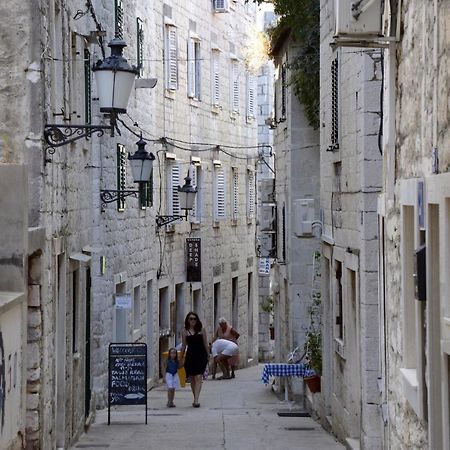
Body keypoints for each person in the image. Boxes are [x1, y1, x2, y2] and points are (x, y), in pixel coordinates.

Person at [180, 312, 209, 407]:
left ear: (197, 320)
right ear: (187, 320)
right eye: (191, 319)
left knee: (198, 377)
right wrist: (180, 358)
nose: (193, 321)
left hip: (201, 355)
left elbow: (205, 343)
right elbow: (183, 346)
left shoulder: (201, 329)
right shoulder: (184, 331)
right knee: (192, 378)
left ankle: (196, 400)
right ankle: (195, 396)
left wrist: (208, 355)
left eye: (194, 319)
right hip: (191, 356)